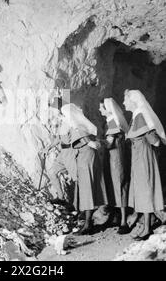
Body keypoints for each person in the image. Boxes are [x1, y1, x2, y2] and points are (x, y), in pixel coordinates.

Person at [124, 89, 165, 241]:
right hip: (139, 157)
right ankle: (148, 223)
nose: (123, 103)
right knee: (142, 191)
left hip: (143, 157)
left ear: (133, 101)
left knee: (146, 190)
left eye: (125, 99)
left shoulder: (140, 116)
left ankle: (147, 228)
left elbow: (153, 139)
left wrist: (153, 143)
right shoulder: (136, 116)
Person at [62, 103, 107, 235]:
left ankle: (88, 225)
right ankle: (88, 221)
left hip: (85, 161)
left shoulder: (78, 129)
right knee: (90, 189)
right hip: (89, 159)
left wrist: (95, 143)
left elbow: (93, 144)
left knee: (87, 190)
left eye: (64, 115)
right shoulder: (84, 126)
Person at [99, 98, 130, 234]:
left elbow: (109, 143)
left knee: (119, 186)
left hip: (116, 159)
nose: (100, 110)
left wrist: (94, 141)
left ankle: (123, 221)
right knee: (113, 186)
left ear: (108, 109)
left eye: (101, 108)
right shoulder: (111, 121)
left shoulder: (113, 122)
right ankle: (115, 217)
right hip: (112, 158)